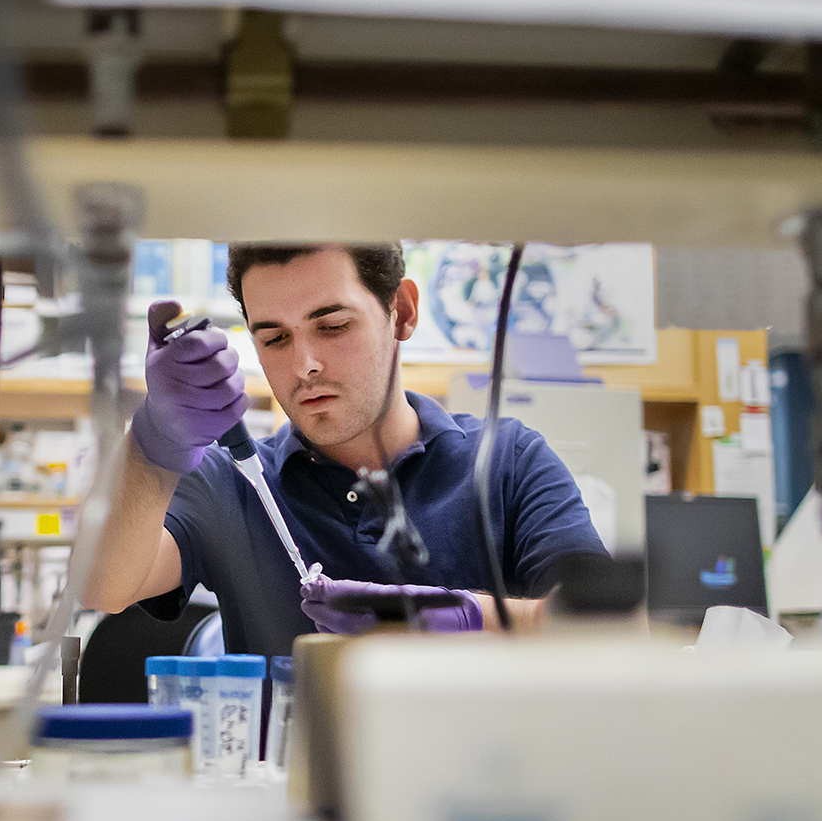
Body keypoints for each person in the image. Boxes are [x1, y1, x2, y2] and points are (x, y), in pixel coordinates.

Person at [82, 242, 606, 660]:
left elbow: (613, 629)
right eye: (275, 339)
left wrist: (459, 617)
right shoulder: (231, 482)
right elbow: (102, 587)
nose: (305, 364)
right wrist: (155, 440)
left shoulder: (508, 462)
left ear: (400, 311)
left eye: (332, 326)